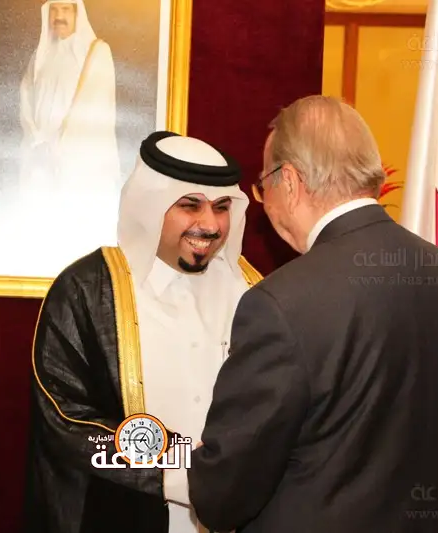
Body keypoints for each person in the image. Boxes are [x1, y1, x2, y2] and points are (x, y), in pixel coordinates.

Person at [188, 95, 438, 532]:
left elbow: (222, 496)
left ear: (290, 180)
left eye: (263, 186)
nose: (264, 202)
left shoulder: (279, 302)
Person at [24, 131, 265, 533]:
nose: (210, 224)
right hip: (123, 513)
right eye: (190, 205)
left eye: (222, 207)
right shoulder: (87, 291)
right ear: (151, 206)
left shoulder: (253, 292)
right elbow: (65, 420)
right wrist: (182, 465)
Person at [18, 0, 122, 267]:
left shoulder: (96, 54)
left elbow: (95, 110)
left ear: (77, 13)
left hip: (78, 168)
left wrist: (60, 147)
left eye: (66, 10)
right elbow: (25, 100)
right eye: (54, 10)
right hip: (40, 162)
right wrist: (37, 141)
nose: (59, 16)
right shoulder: (39, 56)